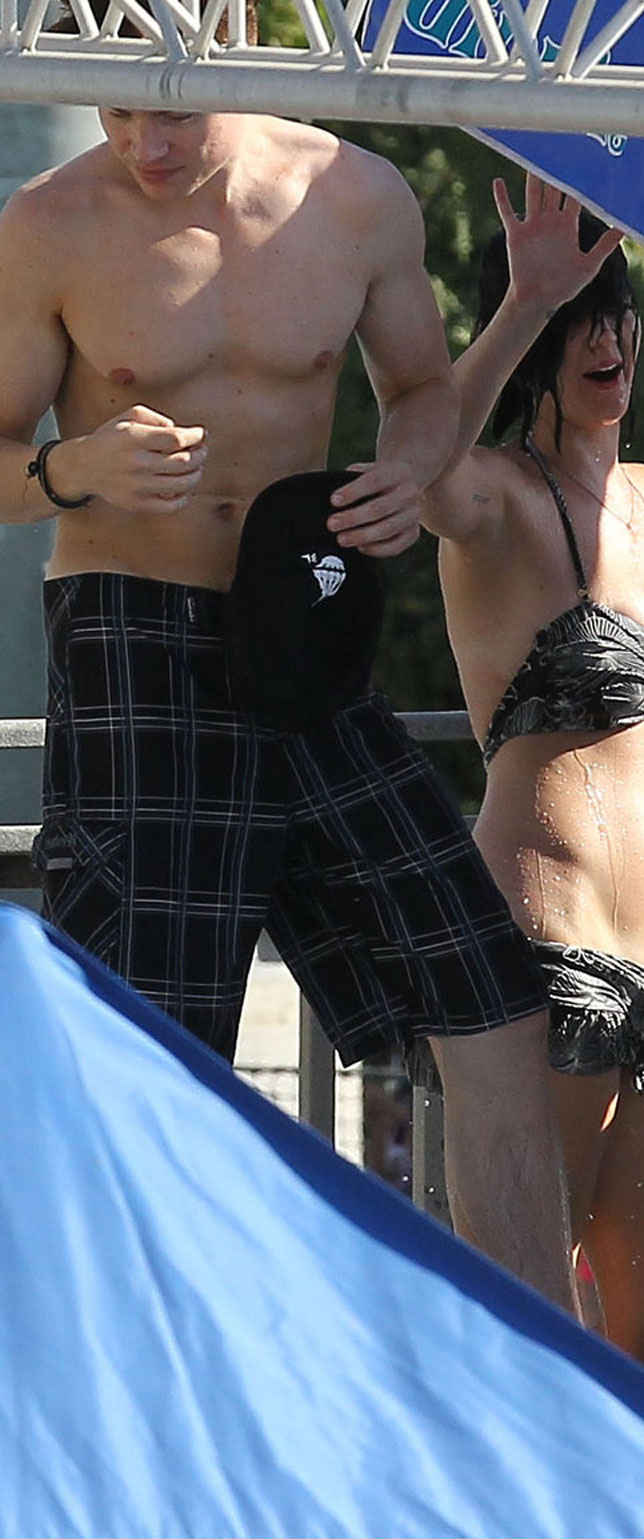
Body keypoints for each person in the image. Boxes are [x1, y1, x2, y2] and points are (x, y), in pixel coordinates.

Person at [0, 106, 577, 1312]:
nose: (143, 142)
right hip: (132, 628)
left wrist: (405, 472)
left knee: (492, 994)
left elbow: (420, 393)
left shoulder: (351, 194)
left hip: (300, 624)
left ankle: (533, 1353)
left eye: (166, 108)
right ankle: (133, 1372)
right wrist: (69, 469)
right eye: (115, 110)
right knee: (150, 1042)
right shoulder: (48, 222)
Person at [421, 176, 644, 1379]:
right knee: (518, 1331)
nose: (604, 338)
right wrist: (525, 300)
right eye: (578, 323)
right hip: (532, 951)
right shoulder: (499, 500)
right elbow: (413, 473)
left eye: (612, 310)